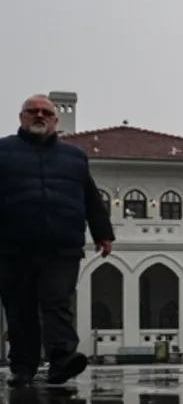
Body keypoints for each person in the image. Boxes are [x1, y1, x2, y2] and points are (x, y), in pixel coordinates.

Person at [0, 94, 114, 387]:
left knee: (57, 301)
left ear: (55, 120)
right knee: (20, 305)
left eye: (45, 112)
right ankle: (23, 365)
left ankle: (62, 359)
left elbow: (90, 196)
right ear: (21, 118)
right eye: (33, 111)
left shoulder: (74, 156)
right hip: (14, 245)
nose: (39, 116)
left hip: (62, 244)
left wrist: (102, 233)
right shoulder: (4, 151)